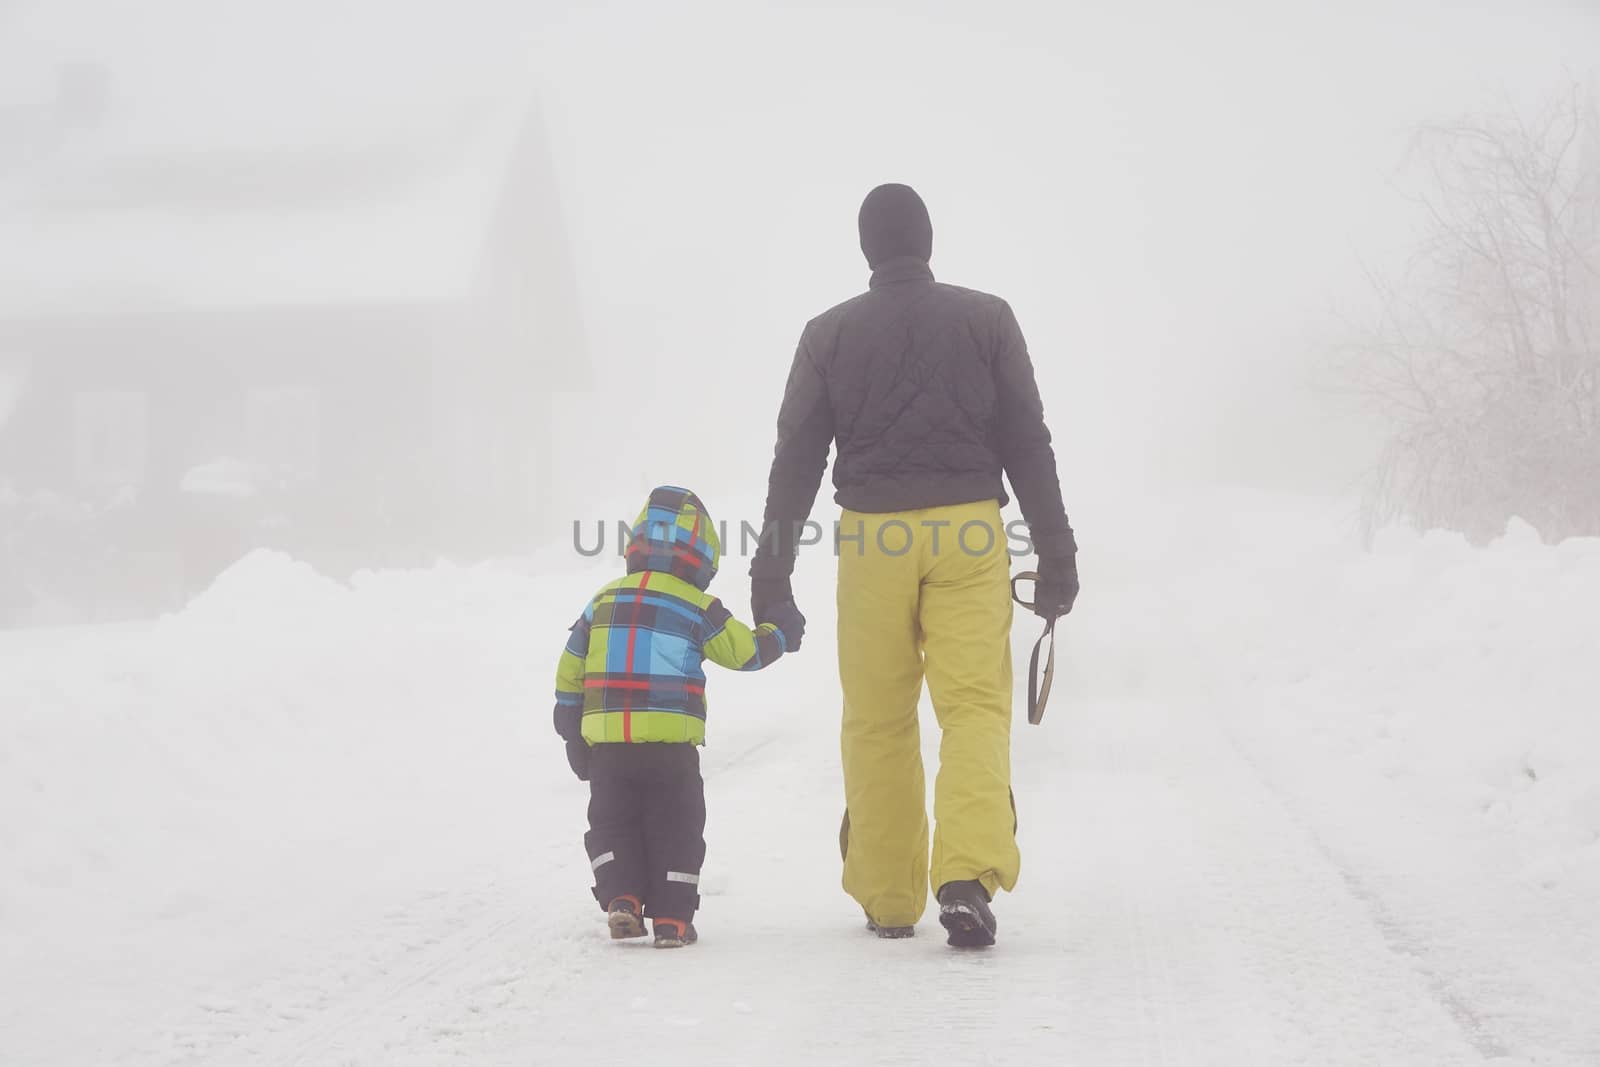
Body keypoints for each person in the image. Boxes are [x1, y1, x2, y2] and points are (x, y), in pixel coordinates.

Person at [751, 184, 1079, 948]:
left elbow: (794, 461)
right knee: (972, 706)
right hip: (970, 529)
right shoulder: (987, 317)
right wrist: (1056, 552)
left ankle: (891, 892)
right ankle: (965, 872)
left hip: (872, 539)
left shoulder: (825, 334)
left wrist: (771, 576)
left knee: (877, 714)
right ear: (927, 242)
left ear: (867, 249)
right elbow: (1029, 442)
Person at [554, 485, 805, 948]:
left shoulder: (603, 600)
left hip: (608, 751)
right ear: (702, 557)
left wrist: (572, 731)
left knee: (612, 823)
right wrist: (781, 632)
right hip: (671, 752)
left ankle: (622, 899)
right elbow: (744, 653)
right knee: (678, 827)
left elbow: (571, 668)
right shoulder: (697, 605)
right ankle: (672, 919)